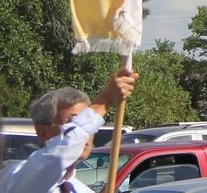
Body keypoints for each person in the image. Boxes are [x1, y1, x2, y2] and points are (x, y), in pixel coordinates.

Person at [0, 67, 138, 193]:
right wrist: (105, 100)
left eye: (91, 125)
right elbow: (60, 155)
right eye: (71, 123)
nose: (86, 133)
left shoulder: (82, 190)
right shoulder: (18, 176)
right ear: (43, 133)